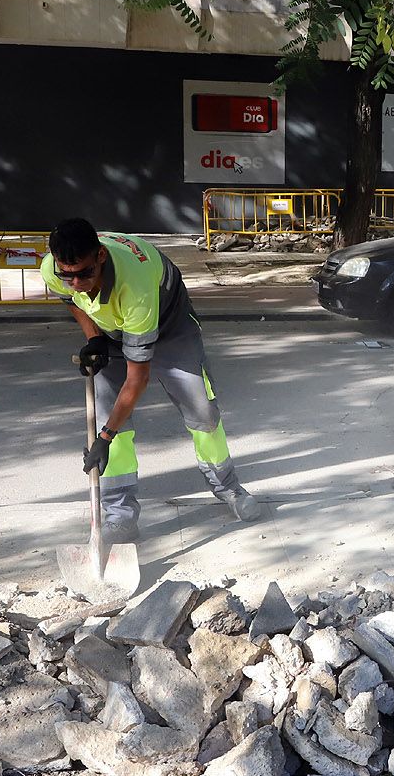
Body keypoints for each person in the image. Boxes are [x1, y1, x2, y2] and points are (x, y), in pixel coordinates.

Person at [42, 218, 261, 543]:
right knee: (108, 413)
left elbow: (138, 378)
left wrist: (104, 437)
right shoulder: (53, 269)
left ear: (101, 256)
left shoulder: (135, 285)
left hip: (168, 323)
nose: (75, 282)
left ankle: (227, 487)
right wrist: (95, 339)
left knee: (202, 410)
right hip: (112, 329)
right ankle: (120, 518)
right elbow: (69, 299)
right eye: (67, 274)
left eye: (84, 274)